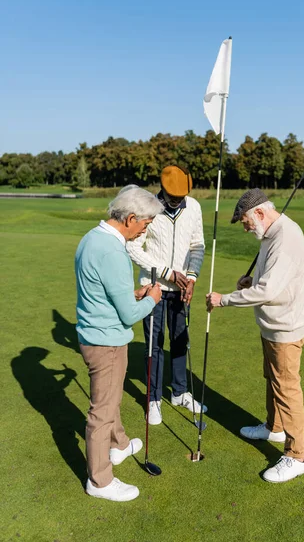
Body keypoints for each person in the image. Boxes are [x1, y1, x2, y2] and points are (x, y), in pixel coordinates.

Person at [206, 188, 304, 483]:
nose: (245, 227)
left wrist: (223, 299)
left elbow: (268, 291)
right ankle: (274, 427)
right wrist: (250, 281)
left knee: (287, 388)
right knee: (273, 378)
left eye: (246, 222)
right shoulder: (270, 234)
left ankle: (297, 455)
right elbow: (268, 281)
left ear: (260, 213)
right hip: (273, 323)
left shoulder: (285, 238)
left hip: (285, 327)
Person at [75, 185, 163, 502]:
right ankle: (99, 480)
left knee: (110, 399)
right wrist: (151, 298)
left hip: (92, 334)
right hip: (107, 341)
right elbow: (127, 315)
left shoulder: (92, 238)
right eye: (145, 223)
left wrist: (132, 294)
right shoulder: (113, 252)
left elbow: (107, 294)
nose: (145, 229)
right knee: (102, 412)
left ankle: (120, 444)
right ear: (129, 218)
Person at [126, 165, 206, 425]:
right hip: (155, 287)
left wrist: (191, 278)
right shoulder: (147, 209)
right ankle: (154, 399)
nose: (178, 202)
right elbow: (133, 248)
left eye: (182, 197)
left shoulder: (193, 207)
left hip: (182, 288)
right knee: (155, 344)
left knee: (181, 341)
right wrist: (167, 273)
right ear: (162, 190)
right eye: (173, 198)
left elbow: (197, 246)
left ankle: (180, 393)